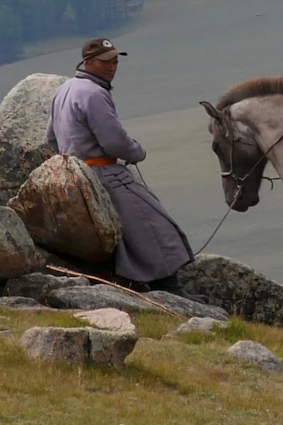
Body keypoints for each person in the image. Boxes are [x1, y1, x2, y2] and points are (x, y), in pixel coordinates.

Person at [49, 37, 193, 291]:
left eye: (115, 61)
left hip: (74, 173)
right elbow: (114, 142)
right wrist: (137, 151)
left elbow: (50, 138)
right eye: (105, 61)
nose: (112, 67)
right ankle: (170, 290)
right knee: (152, 222)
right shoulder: (93, 93)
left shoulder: (64, 89)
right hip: (101, 172)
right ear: (88, 61)